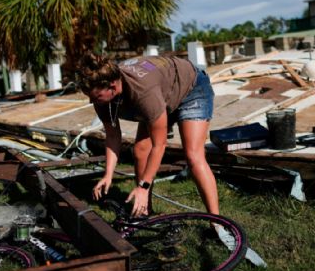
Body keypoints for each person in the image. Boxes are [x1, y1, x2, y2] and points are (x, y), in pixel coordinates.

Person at [79, 53, 219, 217]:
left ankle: (217, 222)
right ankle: (144, 211)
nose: (91, 102)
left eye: (96, 97)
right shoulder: (101, 99)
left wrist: (143, 186)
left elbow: (159, 144)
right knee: (140, 151)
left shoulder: (143, 92)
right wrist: (108, 174)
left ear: (113, 87)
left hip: (190, 88)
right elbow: (112, 136)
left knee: (193, 155)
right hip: (162, 93)